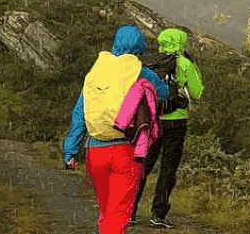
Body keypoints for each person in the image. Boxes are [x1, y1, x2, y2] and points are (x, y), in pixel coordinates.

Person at [62, 24, 170, 234]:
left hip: (95, 151)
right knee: (119, 213)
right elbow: (164, 93)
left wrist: (70, 151)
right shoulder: (141, 71)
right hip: (126, 151)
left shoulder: (96, 72)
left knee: (106, 211)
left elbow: (80, 114)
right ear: (139, 45)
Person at [138, 27, 204, 229]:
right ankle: (158, 214)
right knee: (168, 168)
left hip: (152, 119)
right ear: (180, 42)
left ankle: (128, 209)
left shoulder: (151, 62)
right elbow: (197, 92)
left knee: (144, 165)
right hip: (176, 121)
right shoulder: (184, 63)